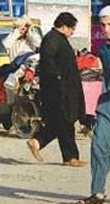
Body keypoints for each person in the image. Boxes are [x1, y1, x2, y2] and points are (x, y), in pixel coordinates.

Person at [27, 12, 85, 167]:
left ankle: (38, 142)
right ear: (64, 26)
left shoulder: (59, 39)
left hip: (64, 89)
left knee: (61, 123)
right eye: (72, 28)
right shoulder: (52, 39)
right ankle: (70, 158)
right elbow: (48, 63)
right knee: (64, 123)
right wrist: (59, 81)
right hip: (58, 91)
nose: (73, 32)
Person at [80, 6, 110, 204]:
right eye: (103, 24)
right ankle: (97, 191)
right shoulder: (103, 50)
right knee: (99, 145)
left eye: (109, 24)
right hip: (106, 106)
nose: (106, 29)